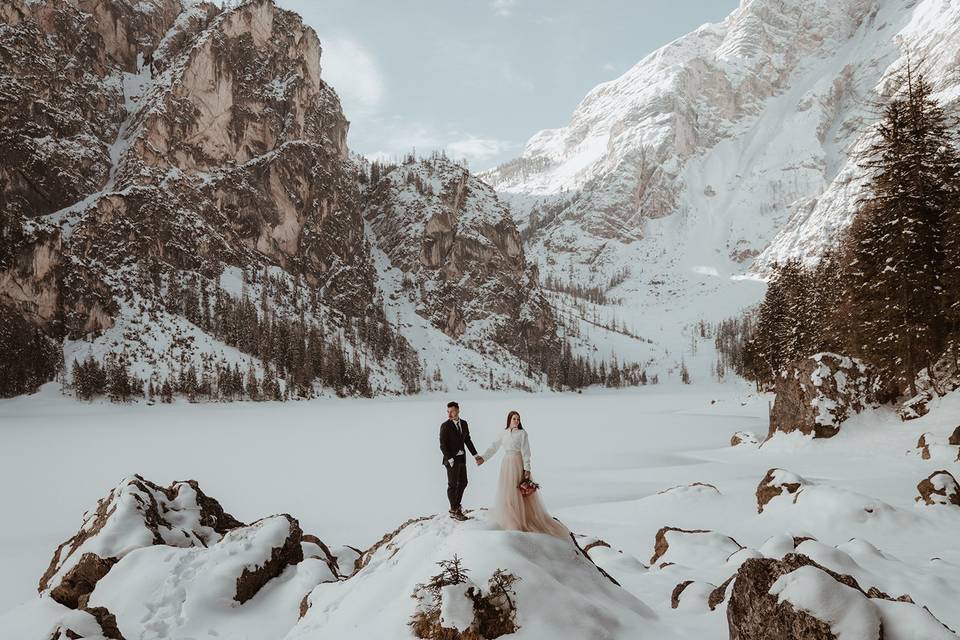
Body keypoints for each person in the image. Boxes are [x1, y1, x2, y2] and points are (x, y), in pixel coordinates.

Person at [477, 410, 570, 540]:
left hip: (517, 462)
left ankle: (520, 519)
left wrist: (527, 469)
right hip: (506, 463)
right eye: (514, 419)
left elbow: (526, 452)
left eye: (518, 419)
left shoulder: (522, 434)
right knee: (507, 491)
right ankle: (509, 517)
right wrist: (483, 458)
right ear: (509, 419)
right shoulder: (503, 433)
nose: (516, 421)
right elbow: (494, 447)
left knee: (518, 492)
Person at [439, 401, 482, 521]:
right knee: (452, 485)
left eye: (451, 411)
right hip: (451, 460)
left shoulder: (464, 423)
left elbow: (467, 440)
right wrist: (450, 458)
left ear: (457, 410)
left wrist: (476, 455)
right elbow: (443, 445)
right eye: (448, 412)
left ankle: (456, 507)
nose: (449, 414)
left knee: (463, 482)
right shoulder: (445, 426)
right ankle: (454, 510)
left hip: (462, 459)